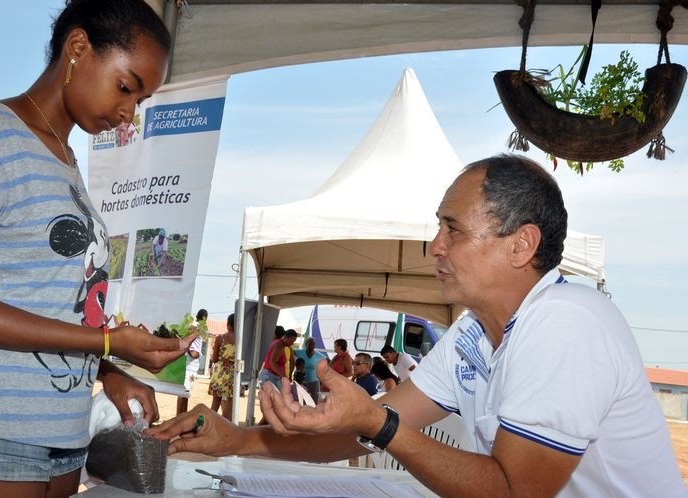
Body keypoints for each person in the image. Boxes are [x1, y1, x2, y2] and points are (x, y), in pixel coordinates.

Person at [147, 155, 686, 497]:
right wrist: (236, 439)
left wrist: (378, 425)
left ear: (522, 245)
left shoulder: (568, 324)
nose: (435, 247)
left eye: (452, 229)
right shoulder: (476, 332)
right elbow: (359, 430)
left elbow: (513, 491)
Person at [0, 1, 185, 496]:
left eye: (141, 100)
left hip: (63, 438)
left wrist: (110, 371)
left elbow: (47, 306)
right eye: (126, 87)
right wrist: (109, 344)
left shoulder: (65, 159)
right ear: (77, 48)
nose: (128, 113)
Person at [177, 309, 208, 415]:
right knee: (184, 392)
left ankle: (182, 416)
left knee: (185, 392)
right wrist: (191, 351)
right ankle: (179, 417)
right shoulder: (197, 327)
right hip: (190, 364)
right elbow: (192, 349)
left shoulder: (195, 326)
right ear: (204, 318)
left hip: (189, 364)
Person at [208, 314, 235, 420]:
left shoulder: (220, 338)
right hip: (233, 375)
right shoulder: (242, 340)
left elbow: (214, 359)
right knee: (231, 404)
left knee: (215, 403)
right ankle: (229, 428)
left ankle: (209, 424)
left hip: (220, 374)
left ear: (228, 324)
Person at [294, 337, 327, 403]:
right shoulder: (300, 352)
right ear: (306, 344)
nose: (312, 346)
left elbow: (328, 362)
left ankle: (313, 412)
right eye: (310, 344)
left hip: (314, 381)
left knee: (314, 399)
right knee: (300, 399)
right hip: (300, 380)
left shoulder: (319, 355)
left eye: (313, 344)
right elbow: (290, 351)